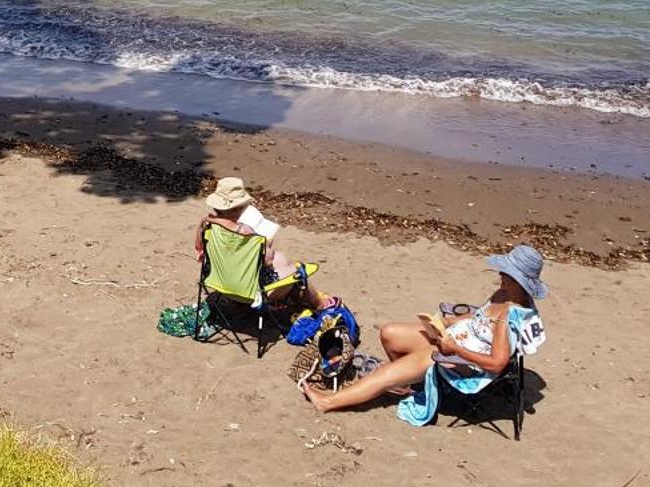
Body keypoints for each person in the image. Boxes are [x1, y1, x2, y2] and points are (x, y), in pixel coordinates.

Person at [300, 245, 548, 413]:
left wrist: (456, 350)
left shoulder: (511, 316)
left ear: (518, 280)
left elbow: (496, 364)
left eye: (505, 273)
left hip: (462, 361)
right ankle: (403, 383)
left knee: (386, 372)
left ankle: (329, 401)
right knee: (389, 332)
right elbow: (480, 318)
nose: (500, 275)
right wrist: (452, 321)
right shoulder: (502, 294)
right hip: (454, 341)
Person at [194, 175, 327, 312]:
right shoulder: (246, 232)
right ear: (239, 208)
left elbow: (199, 250)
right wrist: (267, 244)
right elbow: (267, 260)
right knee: (300, 269)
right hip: (250, 292)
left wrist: (211, 220)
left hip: (219, 282)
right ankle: (320, 305)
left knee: (280, 258)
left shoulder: (207, 226)